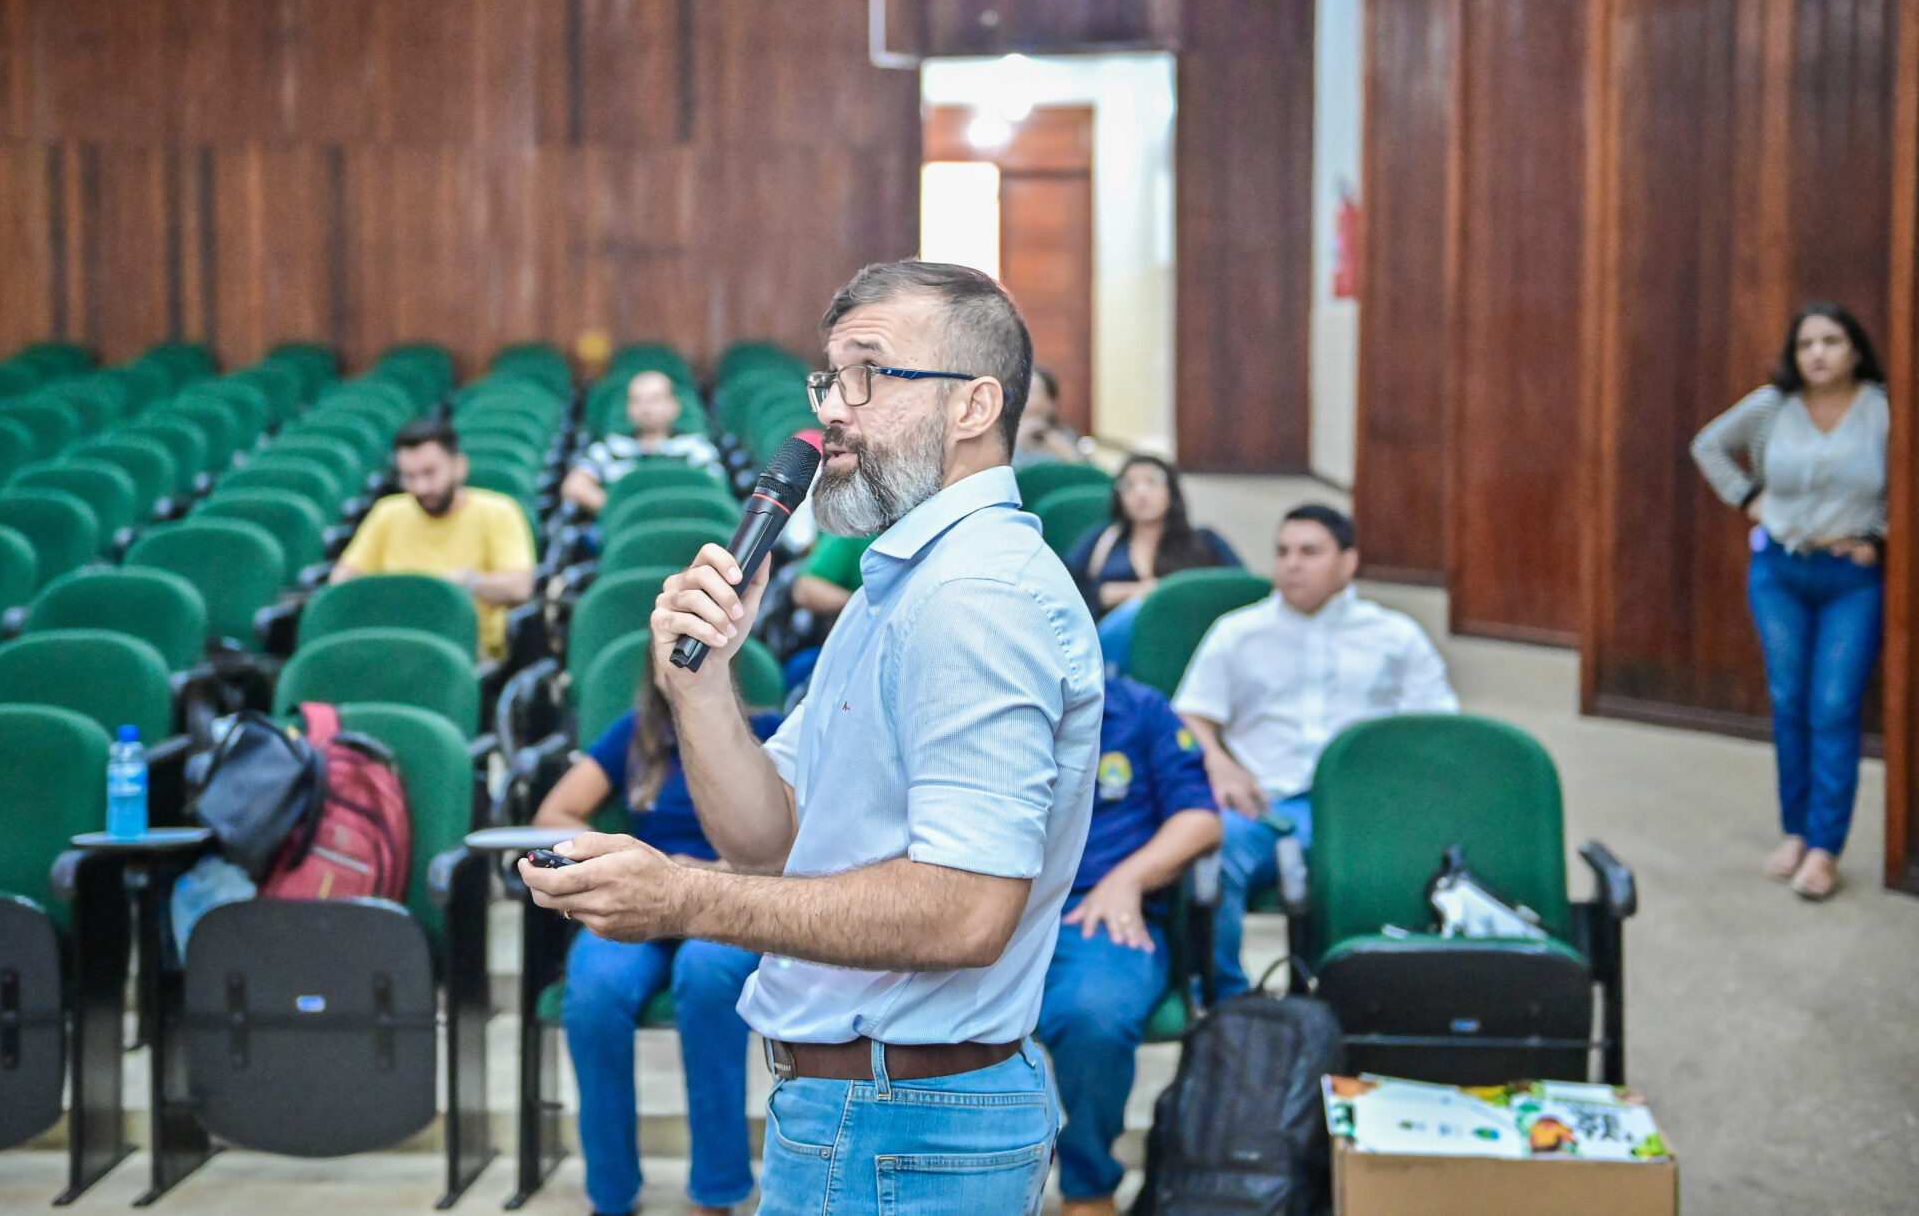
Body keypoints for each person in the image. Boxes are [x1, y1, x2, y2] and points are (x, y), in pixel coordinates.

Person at [518, 260, 1103, 1216]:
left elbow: (965, 912)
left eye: (869, 373)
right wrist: (695, 686)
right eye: (828, 377)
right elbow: (772, 836)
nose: (832, 410)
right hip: (865, 1107)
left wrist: (681, 898)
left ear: (973, 405)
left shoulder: (974, 599)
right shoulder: (901, 588)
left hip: (904, 1119)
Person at [1172, 505, 1458, 998]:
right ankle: (1232, 1007)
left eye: (1310, 552)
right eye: (1283, 552)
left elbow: (1436, 731)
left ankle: (1360, 1004)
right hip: (1266, 806)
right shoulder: (1238, 632)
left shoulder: (1395, 637)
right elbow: (1190, 713)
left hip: (1362, 810)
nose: (1291, 565)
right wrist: (1219, 762)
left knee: (1395, 877)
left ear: (1348, 563)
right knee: (1210, 856)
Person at [530, 671, 779, 1216]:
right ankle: (611, 1195)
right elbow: (553, 814)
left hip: (729, 897)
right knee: (594, 991)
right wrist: (632, 862)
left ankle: (715, 1192)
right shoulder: (638, 734)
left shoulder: (767, 729)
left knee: (708, 975)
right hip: (644, 900)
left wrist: (716, 872)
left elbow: (798, 833)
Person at [1691, 301, 1889, 901]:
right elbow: (1708, 446)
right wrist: (1749, 498)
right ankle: (1796, 832)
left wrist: (1881, 539)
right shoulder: (1774, 407)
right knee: (1788, 699)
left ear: (1855, 349)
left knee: (1834, 705)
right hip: (1778, 571)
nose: (1818, 354)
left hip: (1849, 579)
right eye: (1806, 345)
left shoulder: (1882, 410)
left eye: (1832, 341)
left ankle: (1826, 848)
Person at [1037, 675, 1220, 1216]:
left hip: (1094, 909)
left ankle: (1088, 1186)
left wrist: (1130, 878)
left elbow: (1201, 819)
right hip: (975, 898)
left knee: (1094, 1016)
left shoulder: (1138, 709)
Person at [331, 418, 535, 660]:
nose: (421, 487)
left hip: (464, 651)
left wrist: (469, 582)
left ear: (458, 467)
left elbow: (519, 587)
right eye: (409, 476)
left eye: (430, 473)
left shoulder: (499, 511)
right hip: (394, 641)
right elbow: (341, 581)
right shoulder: (388, 512)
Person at [1066, 454, 1244, 665]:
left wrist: (1166, 594)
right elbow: (1065, 591)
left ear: (1171, 490)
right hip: (1115, 652)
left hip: (1187, 647)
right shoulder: (1102, 540)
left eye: (1153, 482)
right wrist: (1127, 594)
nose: (1141, 493)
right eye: (1129, 485)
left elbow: (1239, 591)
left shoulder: (1205, 541)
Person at [561, 370, 728, 516]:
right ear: (628, 408)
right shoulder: (610, 448)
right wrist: (622, 508)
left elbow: (715, 491)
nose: (646, 408)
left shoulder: (696, 448)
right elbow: (573, 486)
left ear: (674, 405)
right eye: (637, 400)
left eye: (655, 400)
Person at [1013, 365, 1085, 468]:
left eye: (1029, 391)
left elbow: (1087, 477)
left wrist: (1060, 446)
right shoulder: (997, 440)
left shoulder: (1067, 436)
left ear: (1050, 403)